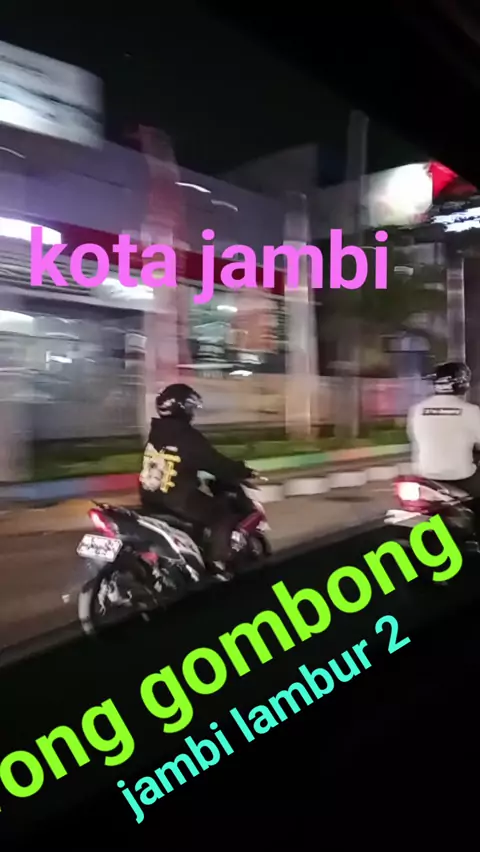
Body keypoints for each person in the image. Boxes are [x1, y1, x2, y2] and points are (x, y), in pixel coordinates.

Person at [139, 383, 255, 573]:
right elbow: (215, 463)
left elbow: (180, 462)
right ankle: (218, 563)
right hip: (177, 501)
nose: (192, 413)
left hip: (151, 498)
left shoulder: (156, 432)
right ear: (182, 408)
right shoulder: (187, 436)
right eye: (190, 407)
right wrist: (241, 471)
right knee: (223, 514)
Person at [407, 361, 480, 500]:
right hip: (460, 476)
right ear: (462, 384)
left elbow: (415, 437)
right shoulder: (471, 411)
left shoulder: (417, 409)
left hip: (425, 476)